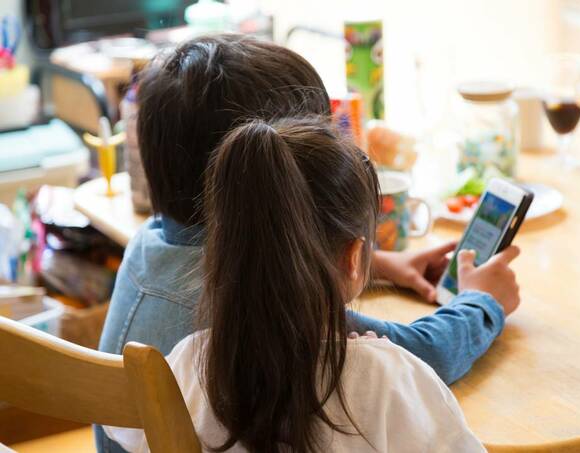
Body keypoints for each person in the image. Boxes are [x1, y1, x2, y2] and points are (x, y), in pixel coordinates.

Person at [97, 34, 520, 452]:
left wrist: (377, 263)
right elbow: (429, 354)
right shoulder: (272, 304)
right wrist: (482, 302)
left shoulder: (145, 248)